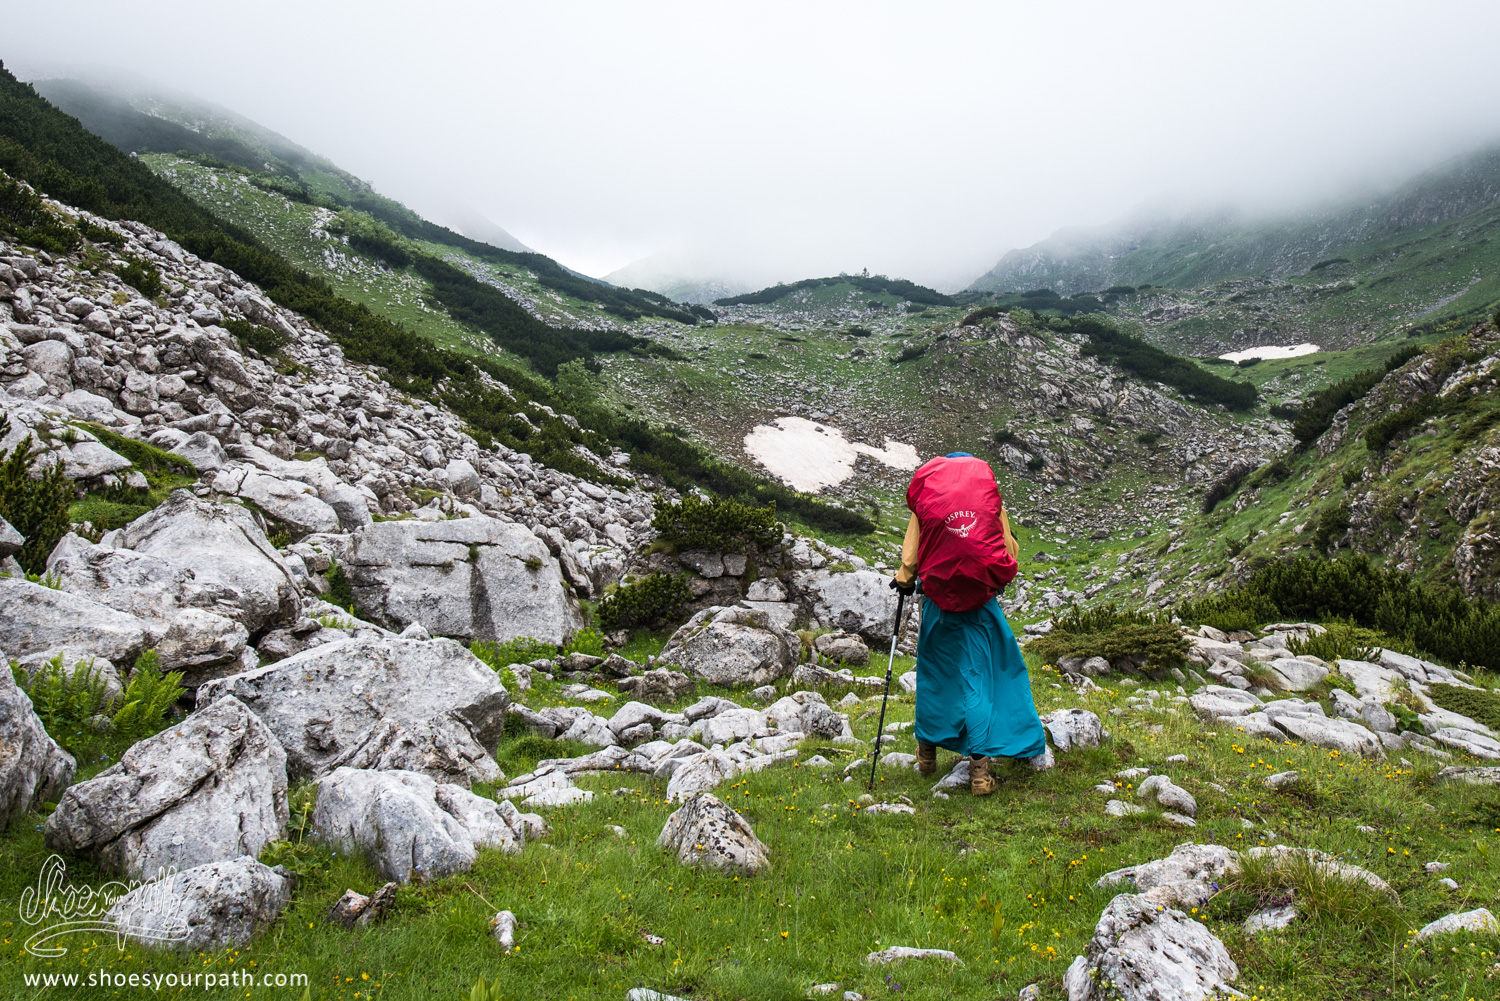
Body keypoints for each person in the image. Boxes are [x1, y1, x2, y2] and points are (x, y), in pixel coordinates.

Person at [889, 452, 1046, 795]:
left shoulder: (928, 503)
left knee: (934, 677)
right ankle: (979, 772)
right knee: (981, 680)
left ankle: (926, 756)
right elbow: (1008, 551)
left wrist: (903, 579)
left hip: (936, 604)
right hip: (980, 607)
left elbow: (910, 559)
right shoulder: (988, 503)